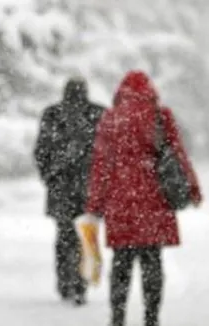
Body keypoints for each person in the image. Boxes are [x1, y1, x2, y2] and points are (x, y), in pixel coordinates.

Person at [85, 70, 201, 326]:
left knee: (121, 263)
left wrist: (95, 204)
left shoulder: (111, 118)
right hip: (154, 200)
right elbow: (178, 155)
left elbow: (101, 165)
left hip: (121, 202)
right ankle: (151, 318)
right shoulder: (161, 116)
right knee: (152, 261)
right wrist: (192, 187)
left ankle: (117, 317)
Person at [33, 76, 105, 306]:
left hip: (61, 187)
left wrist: (50, 177)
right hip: (90, 188)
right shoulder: (99, 114)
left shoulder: (52, 114)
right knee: (87, 235)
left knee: (64, 236)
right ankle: (81, 283)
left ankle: (65, 281)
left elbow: (41, 150)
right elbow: (110, 154)